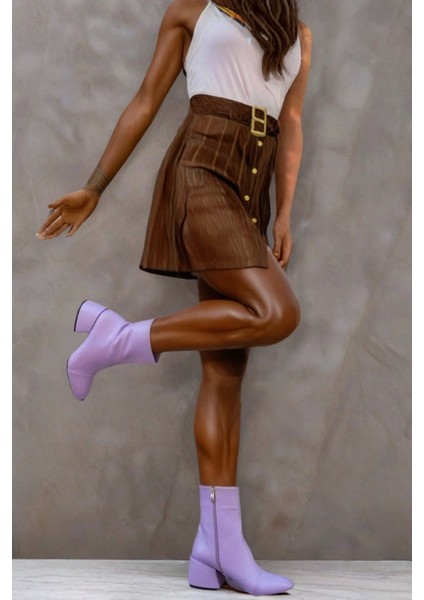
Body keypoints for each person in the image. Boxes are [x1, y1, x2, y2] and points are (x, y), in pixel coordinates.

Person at [36, 0, 312, 595]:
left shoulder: (297, 36)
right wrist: (95, 187)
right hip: (202, 169)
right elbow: (145, 100)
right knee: (276, 313)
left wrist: (285, 212)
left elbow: (291, 124)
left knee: (225, 374)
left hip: (251, 188)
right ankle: (120, 339)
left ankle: (216, 549)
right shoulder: (192, 12)